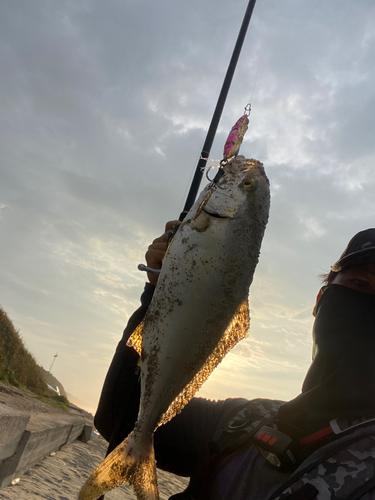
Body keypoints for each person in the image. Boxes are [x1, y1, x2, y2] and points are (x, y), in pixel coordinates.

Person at [95, 226, 375, 500]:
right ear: (320, 299)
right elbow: (121, 416)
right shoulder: (241, 419)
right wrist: (164, 292)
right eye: (359, 284)